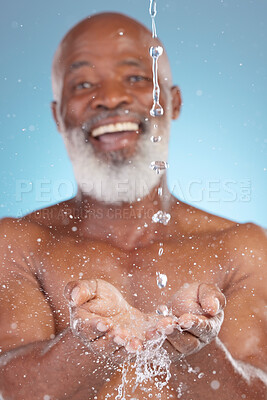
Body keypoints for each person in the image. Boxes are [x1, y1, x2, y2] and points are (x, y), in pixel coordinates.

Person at [0, 12, 266, 400]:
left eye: (137, 78)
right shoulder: (19, 244)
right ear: (58, 116)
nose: (109, 98)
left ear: (172, 102)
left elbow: (258, 391)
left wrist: (198, 351)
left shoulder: (242, 248)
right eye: (84, 83)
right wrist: (87, 344)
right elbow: (9, 387)